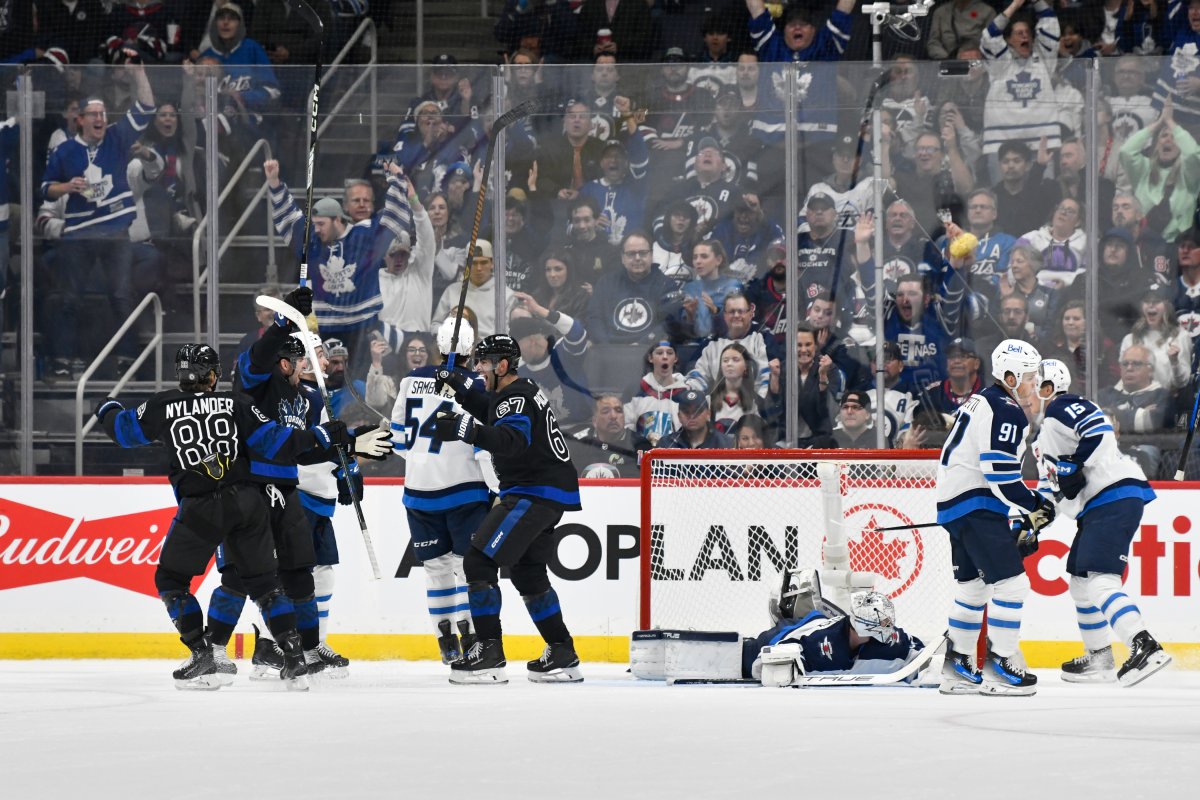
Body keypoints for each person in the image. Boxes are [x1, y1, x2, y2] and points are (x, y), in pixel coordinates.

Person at [94, 343, 353, 689]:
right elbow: (275, 443)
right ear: (213, 375)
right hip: (246, 503)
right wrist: (319, 434)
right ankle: (294, 659)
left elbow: (123, 432)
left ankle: (203, 654)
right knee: (265, 585)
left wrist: (105, 408)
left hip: (200, 507)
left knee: (171, 581)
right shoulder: (236, 403)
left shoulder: (163, 405)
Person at [213, 287, 393, 677]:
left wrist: (349, 458)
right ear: (287, 362)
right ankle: (216, 649)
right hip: (246, 488)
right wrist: (283, 322)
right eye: (307, 358)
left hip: (286, 492)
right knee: (246, 577)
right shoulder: (259, 384)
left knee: (300, 573)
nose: (319, 363)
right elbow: (258, 360)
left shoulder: (310, 398)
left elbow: (309, 448)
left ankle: (305, 649)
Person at [432, 334, 584, 684]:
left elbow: (511, 441)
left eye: (484, 364)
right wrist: (458, 385)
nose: (479, 369)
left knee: (478, 561)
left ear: (502, 366)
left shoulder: (513, 397)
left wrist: (463, 428)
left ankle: (489, 652)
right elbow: (490, 407)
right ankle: (562, 651)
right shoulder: (521, 389)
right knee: (528, 574)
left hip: (532, 491)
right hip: (548, 491)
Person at [1032, 359, 1170, 686]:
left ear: (1048, 387)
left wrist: (1074, 464)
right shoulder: (1041, 441)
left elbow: (1099, 429)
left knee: (1100, 581)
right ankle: (1100, 658)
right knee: (1080, 583)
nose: (1022, 394)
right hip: (1099, 505)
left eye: (1028, 385)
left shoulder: (1063, 405)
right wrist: (1028, 524)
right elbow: (1049, 495)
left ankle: (1144, 644)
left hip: (1114, 495)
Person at [935, 338, 1055, 696]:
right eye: (1029, 376)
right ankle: (1000, 664)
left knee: (973, 587)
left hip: (956, 505)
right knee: (1013, 584)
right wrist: (1034, 502)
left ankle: (957, 666)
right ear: (1010, 375)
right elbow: (999, 472)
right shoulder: (1005, 407)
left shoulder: (979, 400)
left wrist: (1021, 508)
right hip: (977, 505)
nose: (1034, 383)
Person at [40, 55, 156, 381]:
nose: (99, 118)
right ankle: (63, 360)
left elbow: (146, 106)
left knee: (121, 296)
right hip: (78, 235)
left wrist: (139, 73)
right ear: (80, 120)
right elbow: (46, 189)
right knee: (69, 299)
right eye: (93, 114)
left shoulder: (117, 139)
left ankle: (127, 360)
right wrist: (67, 186)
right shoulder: (64, 151)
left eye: (103, 114)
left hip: (116, 232)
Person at [391, 318, 494, 664]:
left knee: (436, 569)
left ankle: (446, 641)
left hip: (419, 490)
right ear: (471, 348)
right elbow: (484, 448)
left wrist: (423, 458)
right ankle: (472, 636)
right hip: (465, 489)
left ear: (438, 345)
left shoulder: (409, 381)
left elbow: (398, 442)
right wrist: (496, 489)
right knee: (468, 568)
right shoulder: (478, 384)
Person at [269, 158, 409, 367]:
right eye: (314, 225)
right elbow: (290, 219)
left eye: (321, 224)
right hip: (327, 330)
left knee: (363, 385)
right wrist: (274, 183)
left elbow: (396, 216)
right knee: (328, 383)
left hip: (364, 328)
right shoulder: (314, 243)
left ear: (337, 219)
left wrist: (395, 178)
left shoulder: (365, 236)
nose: (316, 229)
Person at [741, 587, 926, 686]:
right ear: (864, 627)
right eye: (883, 623)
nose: (889, 628)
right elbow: (767, 663)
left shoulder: (889, 638)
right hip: (764, 645)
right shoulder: (820, 643)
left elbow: (917, 652)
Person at [626, 340, 688, 447]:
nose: (665, 357)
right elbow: (626, 427)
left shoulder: (686, 394)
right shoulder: (636, 390)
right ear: (650, 358)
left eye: (669, 353)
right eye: (659, 353)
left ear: (675, 359)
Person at [568, 394, 646, 479]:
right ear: (594, 421)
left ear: (624, 418)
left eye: (618, 410)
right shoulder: (577, 443)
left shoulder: (640, 445)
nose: (613, 416)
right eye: (605, 411)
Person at [1098, 345, 1172, 433]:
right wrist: (1141, 415)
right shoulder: (1105, 394)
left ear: (1150, 370)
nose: (1129, 368)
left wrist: (1111, 413)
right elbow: (1091, 420)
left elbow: (1153, 423)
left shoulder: (1162, 396)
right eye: (1125, 364)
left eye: (1136, 364)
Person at [708, 342, 766, 434]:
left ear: (746, 367)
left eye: (735, 360)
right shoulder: (708, 401)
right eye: (725, 360)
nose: (729, 364)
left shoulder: (757, 403)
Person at [658, 389, 734, 450]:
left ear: (708, 414)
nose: (692, 416)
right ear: (679, 416)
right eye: (686, 412)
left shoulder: (726, 445)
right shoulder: (666, 444)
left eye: (698, 411)